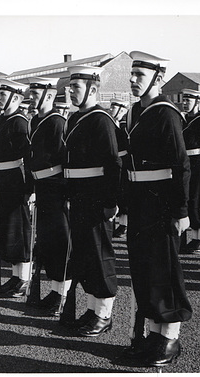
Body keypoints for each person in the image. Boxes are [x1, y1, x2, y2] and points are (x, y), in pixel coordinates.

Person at [117, 52, 192, 367]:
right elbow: (126, 167)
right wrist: (124, 207)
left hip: (162, 203)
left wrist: (181, 209)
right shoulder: (134, 113)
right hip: (139, 203)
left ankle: (169, 338)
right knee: (144, 271)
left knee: (164, 272)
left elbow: (181, 164)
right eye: (132, 75)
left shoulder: (166, 114)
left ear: (158, 80)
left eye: (140, 76)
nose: (133, 80)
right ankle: (153, 335)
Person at [60, 65, 121, 337]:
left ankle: (104, 313)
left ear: (93, 89)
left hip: (96, 198)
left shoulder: (101, 120)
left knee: (100, 256)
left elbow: (113, 164)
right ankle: (93, 309)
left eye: (77, 87)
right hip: (79, 197)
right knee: (85, 255)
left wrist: (110, 202)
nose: (71, 92)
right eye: (71, 87)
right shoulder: (76, 119)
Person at [25, 77, 70, 314]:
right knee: (46, 243)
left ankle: (62, 293)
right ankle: (54, 290)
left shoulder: (57, 122)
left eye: (36, 94)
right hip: (41, 187)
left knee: (59, 243)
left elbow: (64, 160)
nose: (31, 98)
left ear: (49, 97)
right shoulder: (35, 120)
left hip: (56, 188)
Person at [0, 79, 33, 298]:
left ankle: (23, 278)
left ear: (15, 98)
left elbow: (27, 157)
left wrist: (29, 188)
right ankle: (15, 277)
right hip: (2, 179)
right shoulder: (2, 119)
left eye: (3, 96)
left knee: (18, 230)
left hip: (15, 180)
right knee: (7, 230)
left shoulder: (19, 122)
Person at [181, 88, 200, 253]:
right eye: (184, 100)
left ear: (197, 102)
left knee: (198, 200)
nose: (185, 103)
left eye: (188, 101)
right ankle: (192, 237)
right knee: (188, 199)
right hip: (186, 163)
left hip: (198, 164)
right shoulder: (183, 119)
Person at [108, 98, 130, 239]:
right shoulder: (112, 123)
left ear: (122, 110)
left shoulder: (124, 125)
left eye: (114, 108)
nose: (111, 110)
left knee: (124, 194)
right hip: (114, 161)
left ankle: (124, 224)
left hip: (124, 161)